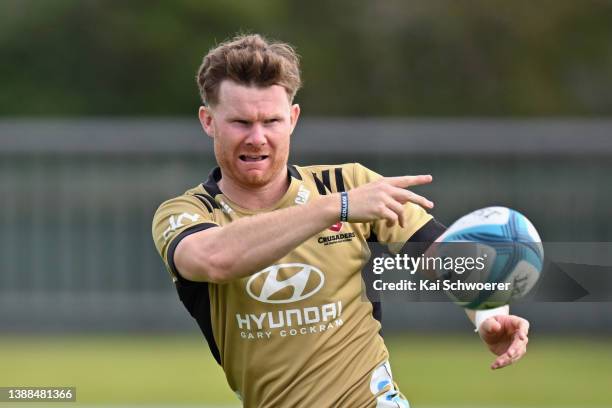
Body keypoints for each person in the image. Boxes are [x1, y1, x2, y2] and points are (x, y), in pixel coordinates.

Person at [152, 33, 530, 408]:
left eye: (271, 121)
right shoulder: (188, 213)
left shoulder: (347, 183)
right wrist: (336, 207)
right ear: (208, 120)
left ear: (293, 118)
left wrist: (488, 314)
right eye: (240, 122)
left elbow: (448, 256)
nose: (257, 138)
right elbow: (213, 259)